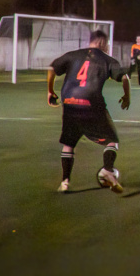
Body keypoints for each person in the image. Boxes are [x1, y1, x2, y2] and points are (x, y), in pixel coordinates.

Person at [47, 30, 130, 194]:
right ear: (102, 43)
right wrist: (127, 96)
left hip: (70, 102)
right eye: (107, 44)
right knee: (112, 141)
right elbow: (125, 77)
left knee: (69, 144)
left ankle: (65, 182)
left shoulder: (73, 55)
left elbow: (52, 68)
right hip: (91, 103)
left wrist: (50, 91)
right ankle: (107, 170)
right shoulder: (107, 60)